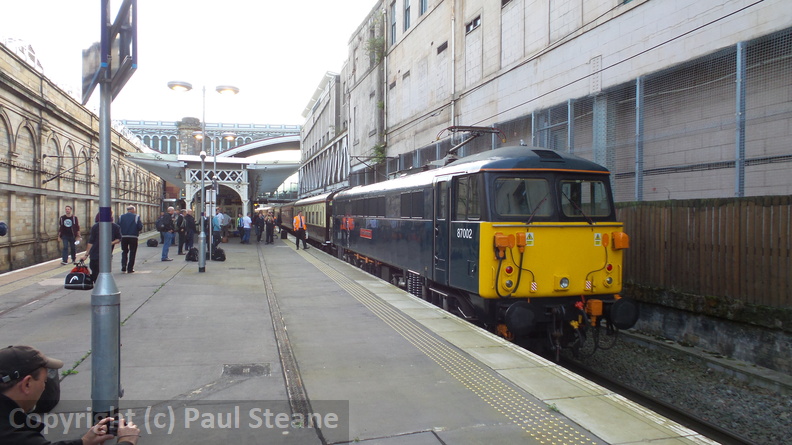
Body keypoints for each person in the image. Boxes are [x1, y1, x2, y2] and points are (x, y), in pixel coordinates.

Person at [0, 345, 140, 444]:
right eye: (44, 381)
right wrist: (126, 440)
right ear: (27, 384)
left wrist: (84, 442)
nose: (44, 387)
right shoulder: (14, 436)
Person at [82, 212, 122, 283]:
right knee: (96, 272)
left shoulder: (115, 227)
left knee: (102, 273)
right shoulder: (96, 227)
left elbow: (119, 238)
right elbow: (91, 242)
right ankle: (98, 284)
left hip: (105, 254)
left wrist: (111, 243)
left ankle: (100, 285)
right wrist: (86, 255)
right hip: (95, 254)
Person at [118, 205, 143, 274]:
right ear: (133, 210)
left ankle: (123, 266)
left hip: (123, 237)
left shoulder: (121, 217)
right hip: (133, 237)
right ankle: (130, 268)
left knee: (124, 251)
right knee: (132, 252)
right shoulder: (136, 216)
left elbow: (118, 226)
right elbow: (140, 227)